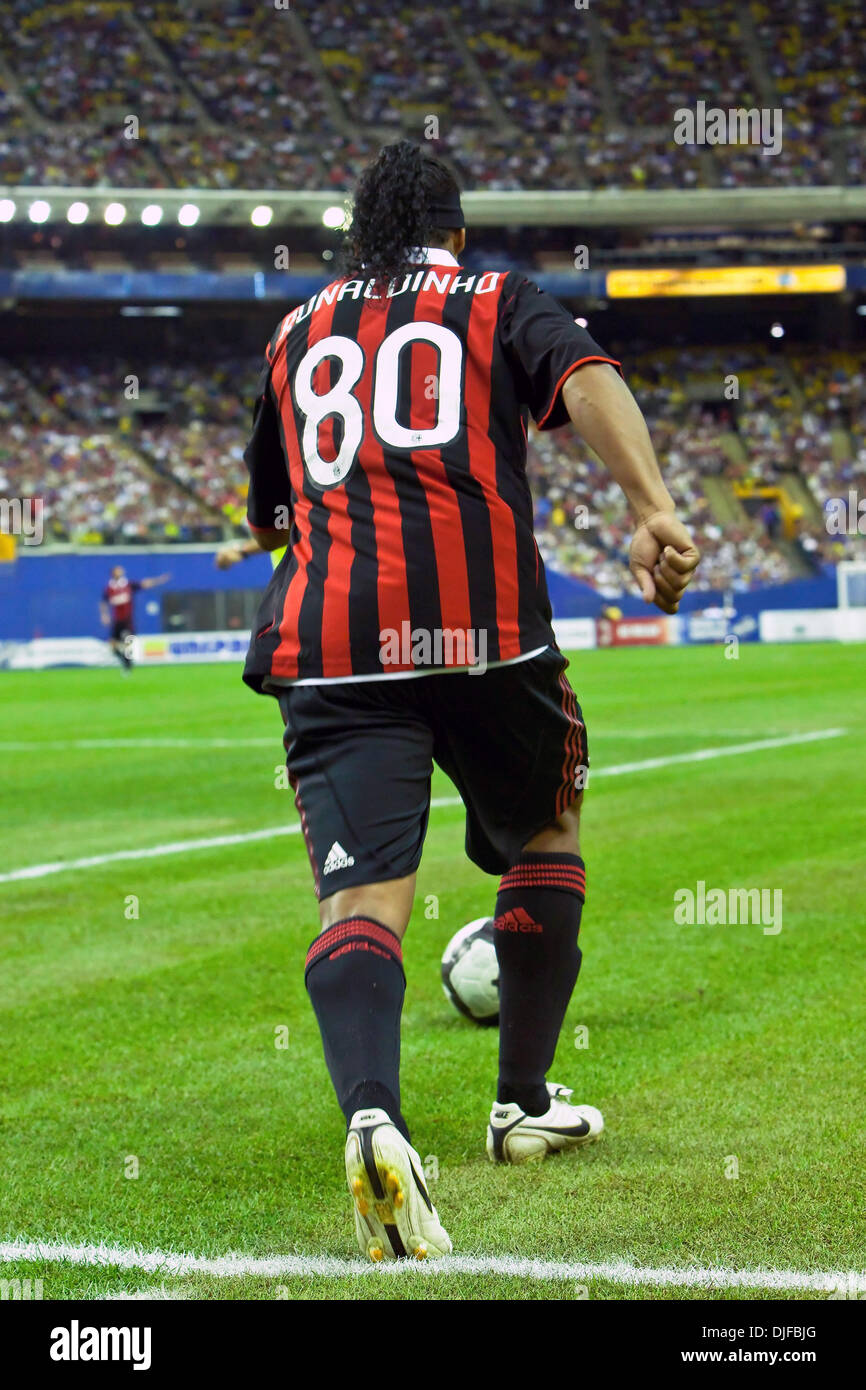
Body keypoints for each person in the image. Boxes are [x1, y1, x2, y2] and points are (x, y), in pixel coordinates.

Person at [241, 140, 700, 1262]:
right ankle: (520, 1102)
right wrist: (647, 505)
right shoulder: (492, 294)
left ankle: (372, 1114)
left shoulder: (296, 331)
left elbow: (268, 513)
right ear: (453, 233)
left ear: (357, 235)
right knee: (546, 827)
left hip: (333, 638)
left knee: (360, 904)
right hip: (481, 632)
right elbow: (586, 380)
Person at [100, 566, 170, 670]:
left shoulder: (128, 585)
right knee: (112, 646)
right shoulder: (109, 588)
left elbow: (145, 583)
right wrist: (104, 615)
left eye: (121, 571)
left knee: (128, 640)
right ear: (113, 573)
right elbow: (103, 602)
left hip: (127, 619)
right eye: (118, 571)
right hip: (117, 620)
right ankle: (125, 660)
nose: (120, 572)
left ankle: (128, 661)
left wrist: (159, 580)